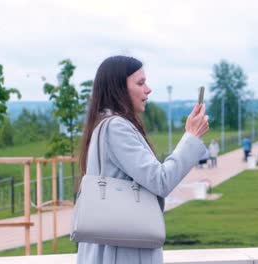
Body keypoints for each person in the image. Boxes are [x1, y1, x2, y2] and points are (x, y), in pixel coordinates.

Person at [78, 56, 209, 264]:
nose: (148, 89)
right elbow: (160, 180)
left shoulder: (106, 124)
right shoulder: (116, 128)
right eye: (140, 83)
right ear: (118, 88)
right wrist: (190, 138)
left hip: (117, 248)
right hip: (121, 252)